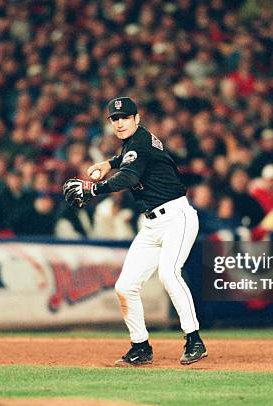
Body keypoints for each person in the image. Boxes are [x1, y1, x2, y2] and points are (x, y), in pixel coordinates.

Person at [63, 97, 206, 366]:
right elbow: (130, 160)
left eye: (125, 117)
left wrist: (92, 189)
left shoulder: (140, 141)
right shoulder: (135, 143)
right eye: (115, 119)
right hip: (152, 224)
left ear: (137, 119)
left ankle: (194, 339)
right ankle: (140, 346)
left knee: (169, 274)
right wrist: (111, 162)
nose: (119, 122)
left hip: (177, 217)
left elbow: (129, 177)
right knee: (126, 286)